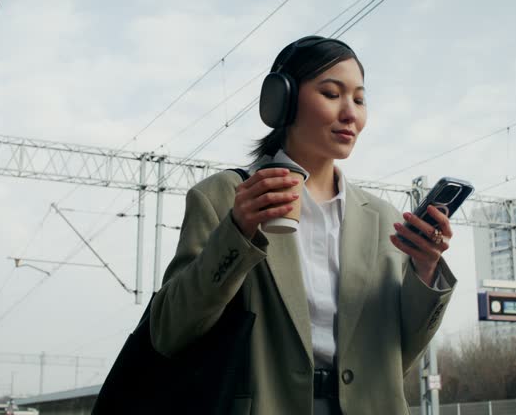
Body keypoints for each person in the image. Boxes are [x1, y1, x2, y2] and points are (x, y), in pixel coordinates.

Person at [150, 36, 457, 414]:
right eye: (331, 94)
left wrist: (426, 272)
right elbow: (168, 330)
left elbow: (398, 356)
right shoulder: (222, 197)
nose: (351, 114)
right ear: (283, 100)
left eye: (359, 100)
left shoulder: (385, 220)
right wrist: (237, 230)